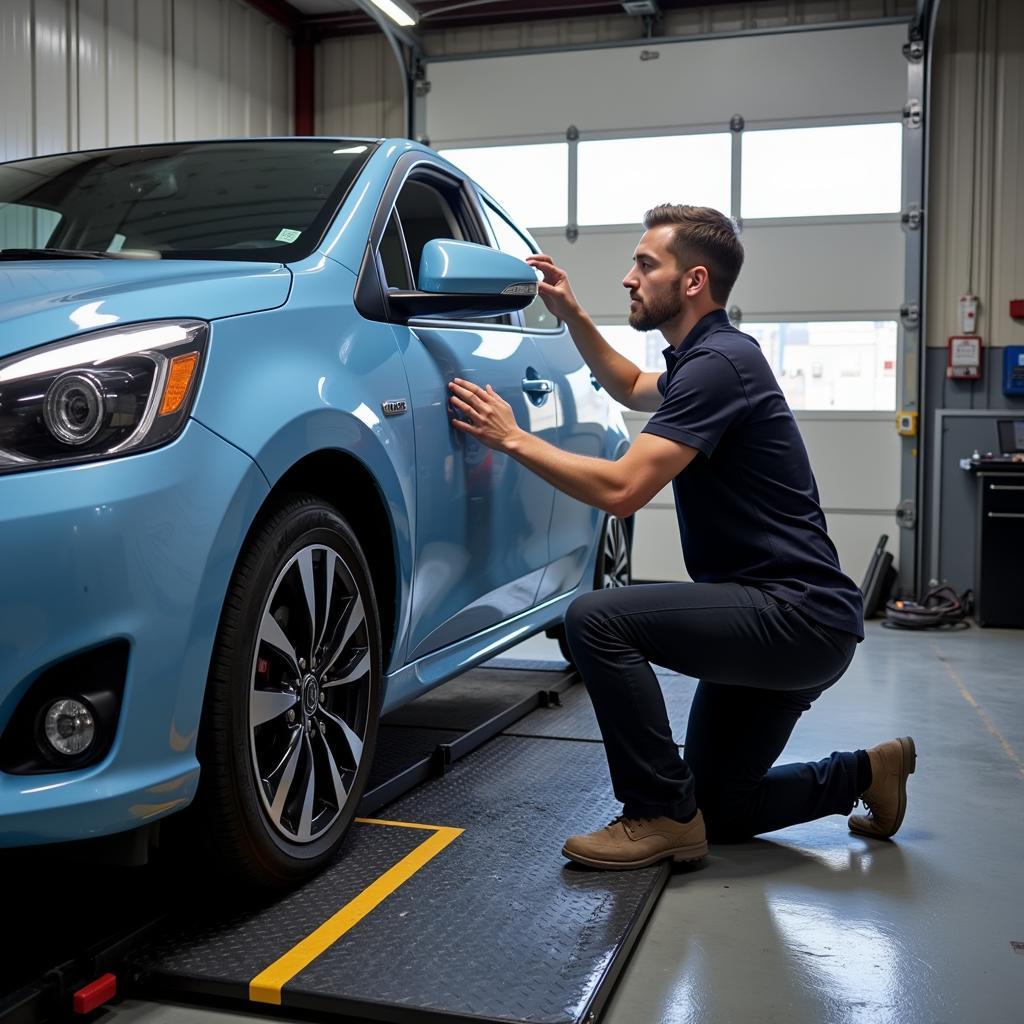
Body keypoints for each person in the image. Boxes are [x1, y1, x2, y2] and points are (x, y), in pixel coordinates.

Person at [447, 204, 915, 870]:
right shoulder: (711, 358)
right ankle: (867, 772)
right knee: (722, 810)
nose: (629, 278)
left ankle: (657, 814)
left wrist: (512, 437)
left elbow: (621, 490)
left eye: (645, 264)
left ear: (693, 280)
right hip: (796, 620)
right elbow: (633, 384)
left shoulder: (719, 365)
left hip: (792, 617)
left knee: (596, 621)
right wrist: (573, 315)